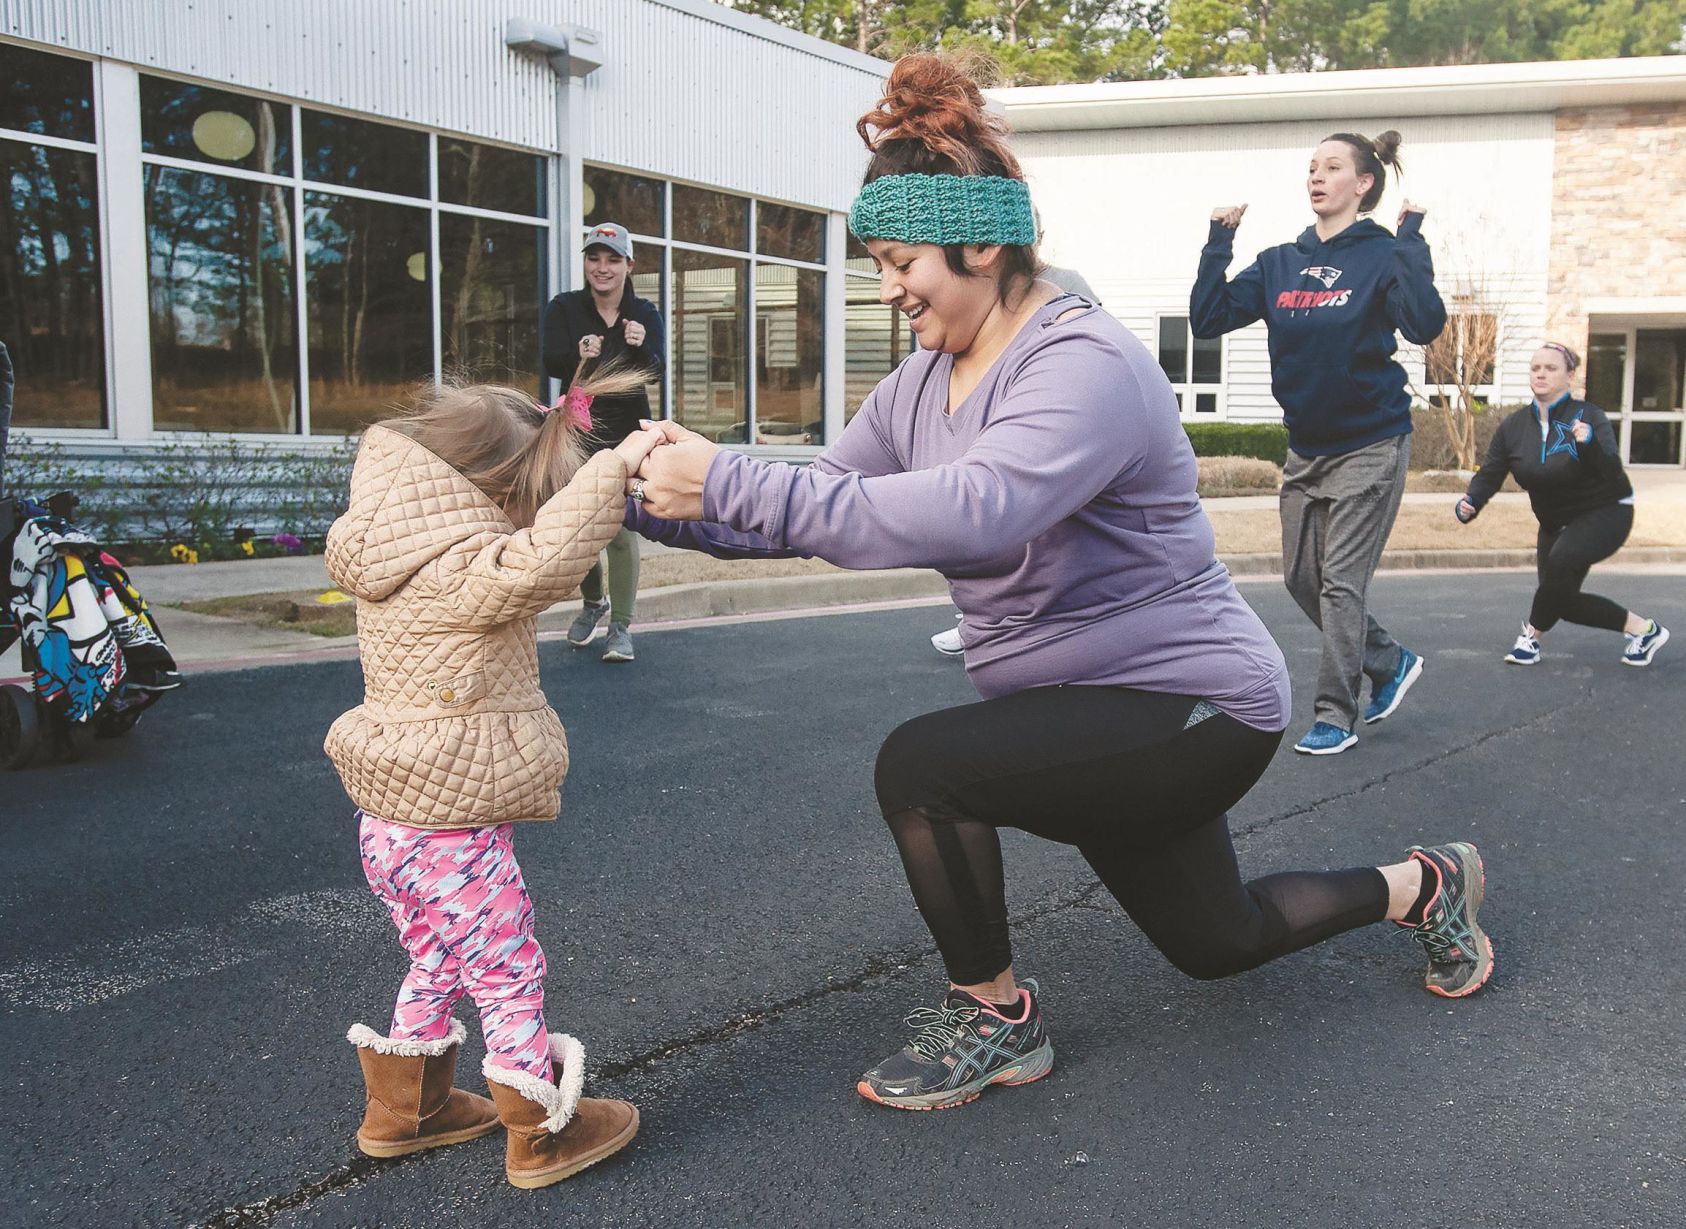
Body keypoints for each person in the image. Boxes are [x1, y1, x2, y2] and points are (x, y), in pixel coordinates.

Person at [624, 54, 1494, 1113]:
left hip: (1199, 708)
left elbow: (972, 506)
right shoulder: (921, 382)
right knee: (1221, 941)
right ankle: (1427, 883)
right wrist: (630, 498)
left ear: (981, 246)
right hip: (1095, 718)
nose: (889, 288)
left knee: (923, 768)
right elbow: (820, 502)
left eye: (902, 263)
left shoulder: (1080, 365)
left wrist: (724, 472)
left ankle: (996, 1018)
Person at [323, 374, 661, 1187]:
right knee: (507, 967)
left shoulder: (388, 547)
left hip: (390, 820)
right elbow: (542, 562)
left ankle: (407, 1109)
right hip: (449, 827)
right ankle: (540, 1129)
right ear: (487, 491)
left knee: (437, 956)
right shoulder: (456, 563)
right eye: (525, 496)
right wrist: (613, 469)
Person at [1191, 131, 1447, 756]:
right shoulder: (1280, 261)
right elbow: (1208, 319)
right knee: (1300, 578)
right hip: (1307, 448)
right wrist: (1218, 242)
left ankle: (1336, 711)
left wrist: (1411, 237)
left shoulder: (1384, 255)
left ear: (1363, 184)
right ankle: (1388, 661)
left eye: (1333, 167)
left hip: (1371, 441)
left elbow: (1424, 323)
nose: (1317, 176)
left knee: (1340, 583)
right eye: (1312, 167)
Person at [1456, 343, 1668, 667]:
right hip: (1555, 522)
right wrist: (1471, 500)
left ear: (1570, 376)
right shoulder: (1513, 427)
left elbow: (1611, 469)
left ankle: (1529, 639)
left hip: (1606, 510)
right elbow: (1492, 472)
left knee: (1562, 560)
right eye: (1535, 367)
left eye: (1550, 368)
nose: (1540, 373)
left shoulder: (1589, 417)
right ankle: (1645, 630)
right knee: (1560, 600)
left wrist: (1588, 444)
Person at [542, 222, 666, 663]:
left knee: (618, 526)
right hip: (575, 433)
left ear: (629, 265)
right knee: (576, 528)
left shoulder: (645, 314)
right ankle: (594, 601)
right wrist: (579, 352)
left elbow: (656, 370)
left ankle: (621, 628)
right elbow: (550, 359)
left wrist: (641, 345)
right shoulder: (565, 308)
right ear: (586, 263)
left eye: (613, 259)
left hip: (627, 437)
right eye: (595, 258)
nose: (603, 267)